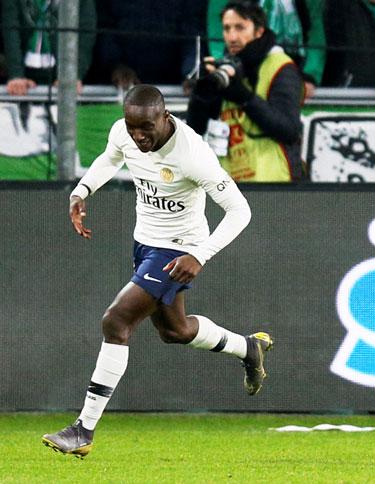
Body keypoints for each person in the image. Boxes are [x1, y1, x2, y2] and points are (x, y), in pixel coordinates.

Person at [41, 85, 272, 458]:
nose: (138, 136)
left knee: (116, 322)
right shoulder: (125, 132)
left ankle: (82, 430)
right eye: (133, 127)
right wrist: (81, 191)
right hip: (145, 243)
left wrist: (200, 254)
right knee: (174, 331)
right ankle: (249, 347)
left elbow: (240, 211)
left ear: (165, 118)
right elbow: (109, 158)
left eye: (146, 127)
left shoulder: (191, 154)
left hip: (177, 250)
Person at [187, 0, 304, 182]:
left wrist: (245, 97)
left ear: (259, 31)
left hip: (277, 186)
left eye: (240, 28)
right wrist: (201, 94)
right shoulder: (225, 70)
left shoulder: (280, 66)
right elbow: (195, 131)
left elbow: (289, 130)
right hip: (234, 186)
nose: (232, 37)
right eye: (227, 29)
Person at [207, 0, 325, 99]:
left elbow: (315, 30)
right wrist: (224, 67)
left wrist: (309, 76)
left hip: (293, 67)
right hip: (244, 66)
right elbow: (218, 28)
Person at [2, 0, 96, 95]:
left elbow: (86, 33)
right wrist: (16, 74)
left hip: (64, 73)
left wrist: (74, 74)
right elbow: (10, 29)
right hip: (22, 73)